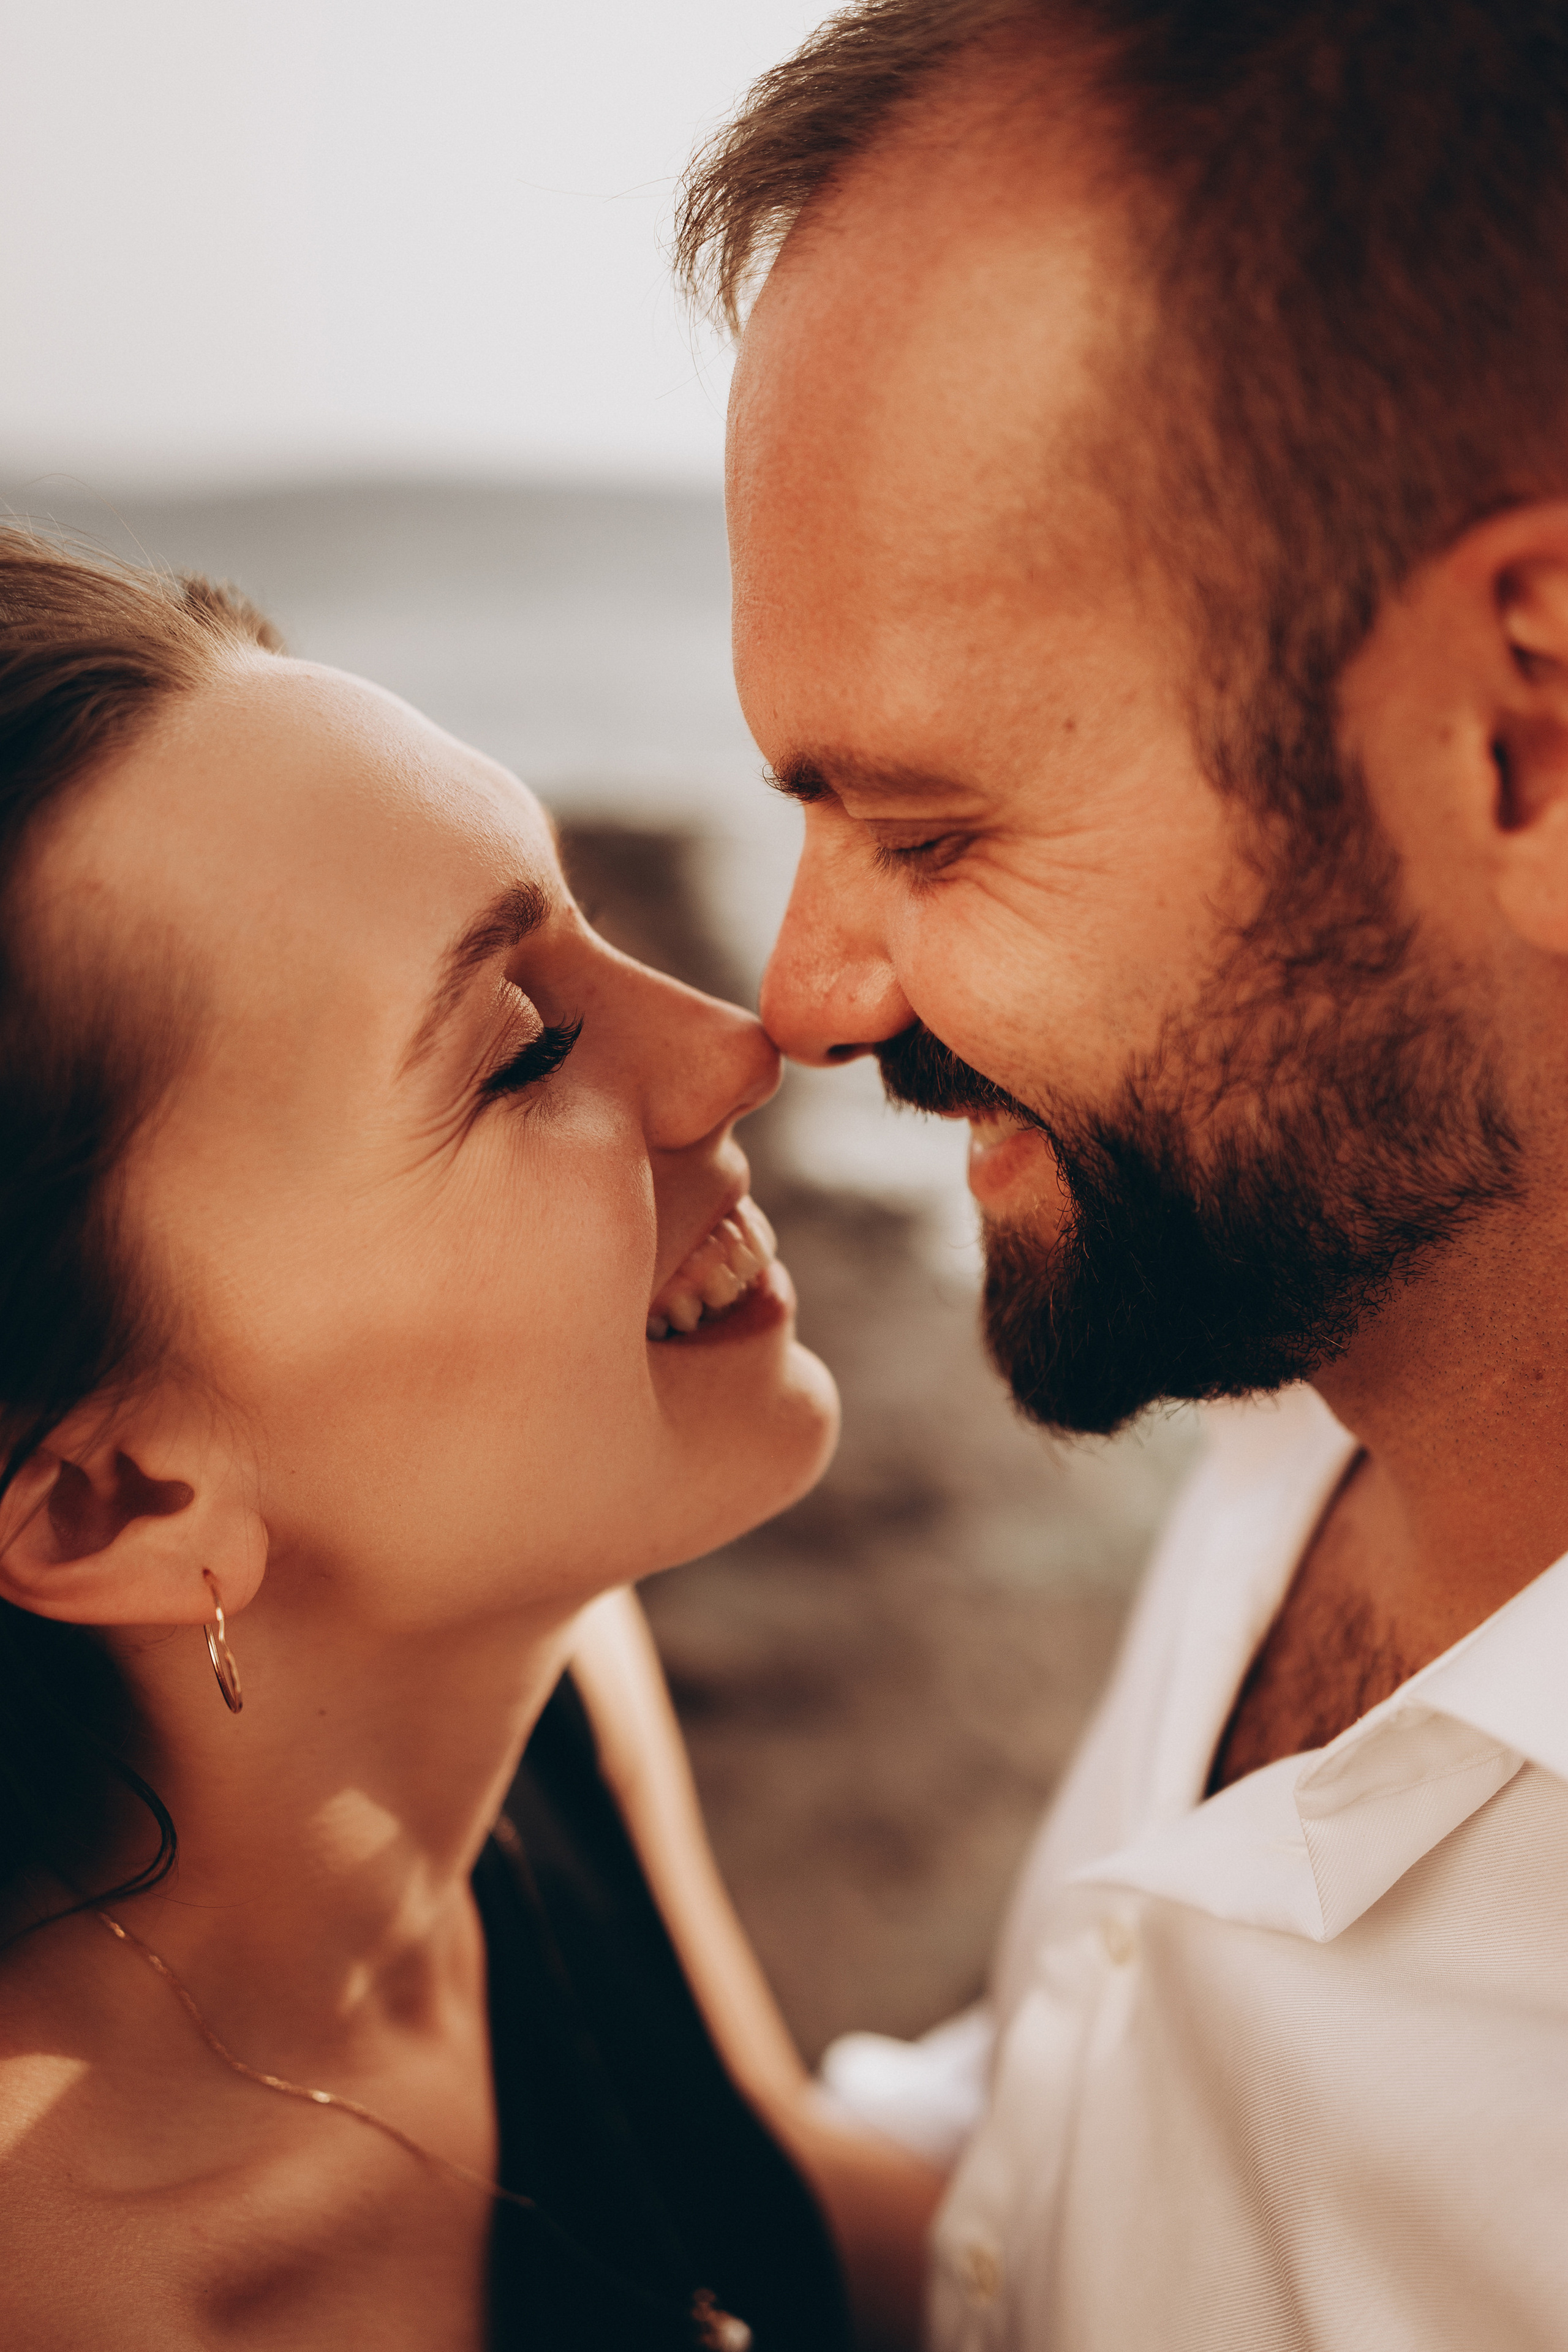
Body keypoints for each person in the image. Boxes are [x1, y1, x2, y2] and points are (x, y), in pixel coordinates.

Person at [677, 1, 1568, 2345]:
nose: (802, 997)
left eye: (929, 830)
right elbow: (1061, 2187)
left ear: (1530, 738)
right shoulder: (1319, 1345)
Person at [0, 531, 941, 2352]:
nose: (736, 1049)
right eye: (518, 1053)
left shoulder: (552, 1682)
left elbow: (809, 2220)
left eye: (584, 914)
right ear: (119, 1497)